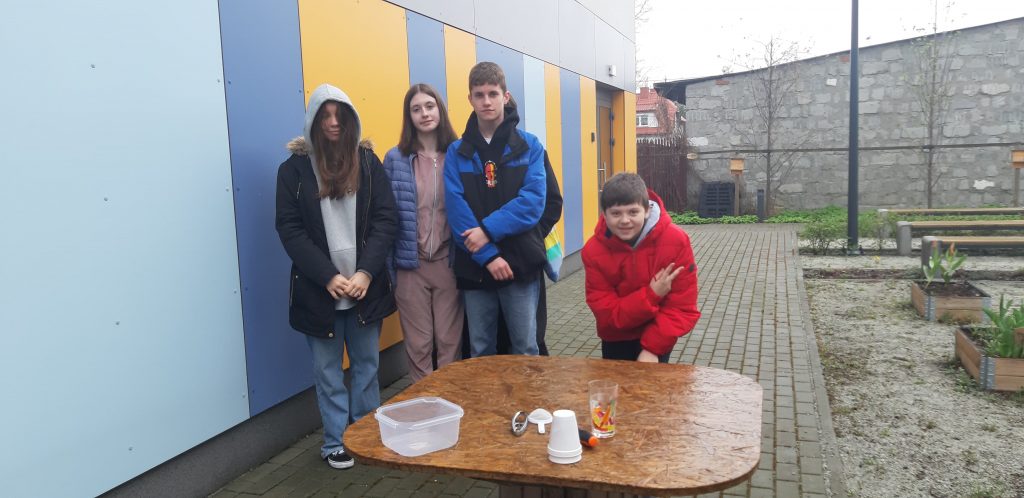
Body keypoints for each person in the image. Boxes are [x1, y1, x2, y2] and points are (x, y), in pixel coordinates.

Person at [275, 83, 398, 469]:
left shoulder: (368, 162)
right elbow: (289, 229)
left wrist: (365, 273)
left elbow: (386, 219)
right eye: (324, 115)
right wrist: (328, 276)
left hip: (365, 290)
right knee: (328, 373)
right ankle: (334, 443)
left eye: (339, 115)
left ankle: (365, 437)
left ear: (350, 120)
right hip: (319, 292)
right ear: (312, 121)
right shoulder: (293, 170)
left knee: (367, 368)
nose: (332, 123)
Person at [444, 61, 548, 357]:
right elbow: (456, 210)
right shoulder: (457, 152)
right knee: (480, 350)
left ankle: (526, 394)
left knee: (525, 348)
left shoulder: (529, 145)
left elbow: (532, 203)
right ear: (470, 99)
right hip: (475, 265)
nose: (486, 101)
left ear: (506, 96)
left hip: (520, 263)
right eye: (479, 95)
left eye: (493, 93)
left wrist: (487, 231)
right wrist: (488, 256)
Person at [382, 84, 464, 381]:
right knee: (419, 346)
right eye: (416, 109)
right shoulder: (395, 159)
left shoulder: (458, 154)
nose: (424, 114)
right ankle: (425, 403)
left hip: (447, 262)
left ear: (439, 109)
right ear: (409, 117)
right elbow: (385, 214)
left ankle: (449, 400)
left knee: (449, 342)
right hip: (410, 266)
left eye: (429, 106)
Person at [581, 173, 700, 362]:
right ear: (604, 214)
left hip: (660, 335)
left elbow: (681, 306)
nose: (625, 220)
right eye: (616, 213)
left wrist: (652, 349)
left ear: (646, 210)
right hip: (616, 340)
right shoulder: (593, 251)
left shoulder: (676, 241)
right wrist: (652, 295)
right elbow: (608, 314)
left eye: (633, 212)